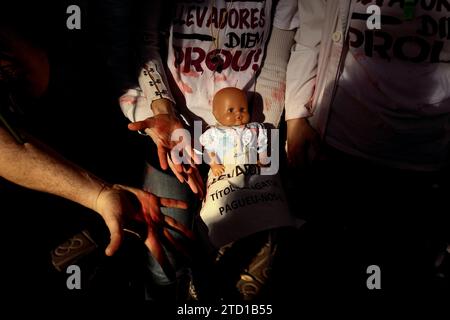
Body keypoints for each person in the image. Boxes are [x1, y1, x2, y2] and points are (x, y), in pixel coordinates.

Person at [108, 0, 299, 301]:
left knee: (240, 229)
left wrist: (256, 134)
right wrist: (162, 109)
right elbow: (143, 42)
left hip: (243, 134)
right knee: (168, 242)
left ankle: (213, 290)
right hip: (171, 132)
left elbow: (276, 59)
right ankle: (168, 293)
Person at [0, 22, 192, 282]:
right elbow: (9, 151)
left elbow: (132, 49)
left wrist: (159, 111)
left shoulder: (71, 39)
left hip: (117, 142)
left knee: (164, 263)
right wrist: (99, 195)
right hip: (58, 201)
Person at [283, 0, 450, 298]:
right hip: (339, 141)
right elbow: (310, 31)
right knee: (332, 270)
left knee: (403, 273)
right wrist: (296, 115)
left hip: (427, 154)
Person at [196, 87, 296, 300]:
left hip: (251, 171)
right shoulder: (214, 133)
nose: (238, 114)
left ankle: (261, 242)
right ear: (216, 114)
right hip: (226, 174)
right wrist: (214, 164)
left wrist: (261, 157)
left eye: (242, 109)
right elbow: (209, 150)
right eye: (230, 110)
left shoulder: (255, 129)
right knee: (221, 210)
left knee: (261, 200)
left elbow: (261, 145)